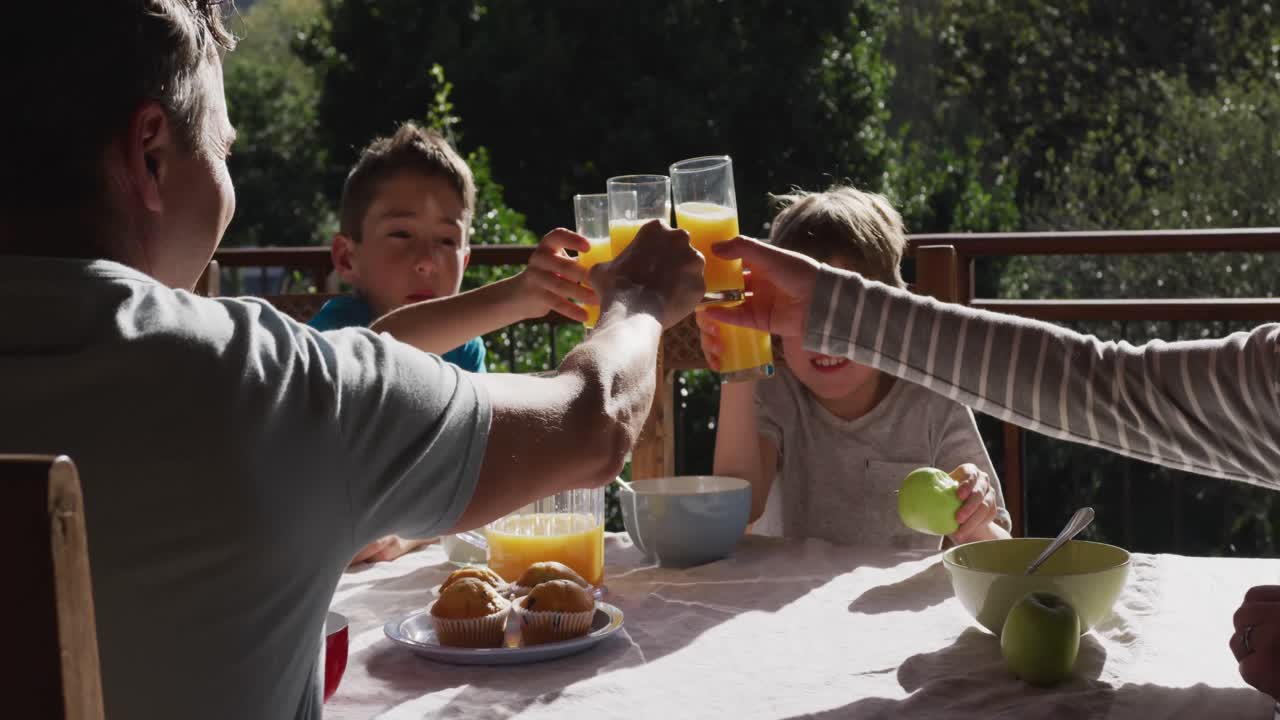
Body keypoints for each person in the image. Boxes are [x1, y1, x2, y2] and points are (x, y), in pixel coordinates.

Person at [0, 3, 703, 718]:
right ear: (152, 154)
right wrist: (640, 297)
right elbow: (592, 422)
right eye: (223, 149)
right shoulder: (268, 386)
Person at [700, 233, 1280, 701]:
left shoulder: (929, 400)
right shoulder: (780, 399)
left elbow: (1105, 390)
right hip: (808, 643)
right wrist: (835, 317)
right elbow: (1107, 385)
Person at [310, 121, 598, 564]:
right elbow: (377, 359)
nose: (426, 261)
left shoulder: (466, 351)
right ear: (348, 258)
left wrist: (405, 537)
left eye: (446, 240)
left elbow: (474, 478)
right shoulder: (334, 339)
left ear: (465, 259)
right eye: (401, 235)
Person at [698, 187, 1009, 547]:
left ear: (887, 315)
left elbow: (998, 549)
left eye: (844, 314)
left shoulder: (933, 396)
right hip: (787, 601)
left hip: (898, 603)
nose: (824, 337)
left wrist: (973, 517)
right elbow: (739, 509)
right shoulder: (777, 390)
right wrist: (737, 367)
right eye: (804, 313)